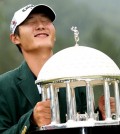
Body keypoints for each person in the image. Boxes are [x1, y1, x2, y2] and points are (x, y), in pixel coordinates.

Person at [0, 3, 116, 134]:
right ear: (15, 38)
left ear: (54, 35)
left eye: (46, 21)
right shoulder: (4, 86)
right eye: (31, 22)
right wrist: (31, 121)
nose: (41, 26)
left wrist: (103, 117)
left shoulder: (77, 79)